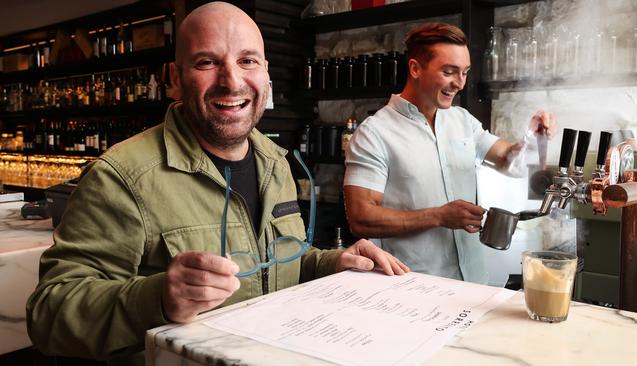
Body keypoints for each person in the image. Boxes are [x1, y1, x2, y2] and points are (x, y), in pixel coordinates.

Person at [26, 3, 408, 365]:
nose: (232, 81)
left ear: (265, 73)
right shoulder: (122, 176)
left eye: (247, 61)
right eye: (207, 62)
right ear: (175, 79)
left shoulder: (275, 162)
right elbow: (50, 313)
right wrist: (158, 298)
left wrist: (331, 263)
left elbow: (275, 264)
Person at [343, 23, 556, 284]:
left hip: (473, 281)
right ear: (415, 68)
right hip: (412, 285)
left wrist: (532, 138)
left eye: (465, 72)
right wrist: (439, 216)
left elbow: (510, 162)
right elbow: (360, 217)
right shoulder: (374, 133)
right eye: (449, 72)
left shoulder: (462, 120)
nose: (459, 83)